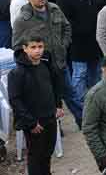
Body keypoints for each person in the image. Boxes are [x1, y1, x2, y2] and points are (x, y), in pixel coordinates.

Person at [8, 35, 64, 175]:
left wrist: (58, 105)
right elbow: (15, 100)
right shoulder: (17, 73)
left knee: (47, 153)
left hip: (50, 117)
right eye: (33, 47)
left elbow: (55, 85)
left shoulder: (45, 65)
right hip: (34, 123)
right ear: (25, 49)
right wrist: (31, 123)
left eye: (40, 47)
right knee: (35, 156)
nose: (37, 51)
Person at [57, 0, 102, 102]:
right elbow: (64, 22)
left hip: (96, 42)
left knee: (96, 73)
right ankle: (79, 102)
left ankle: (97, 100)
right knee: (80, 74)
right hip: (78, 43)